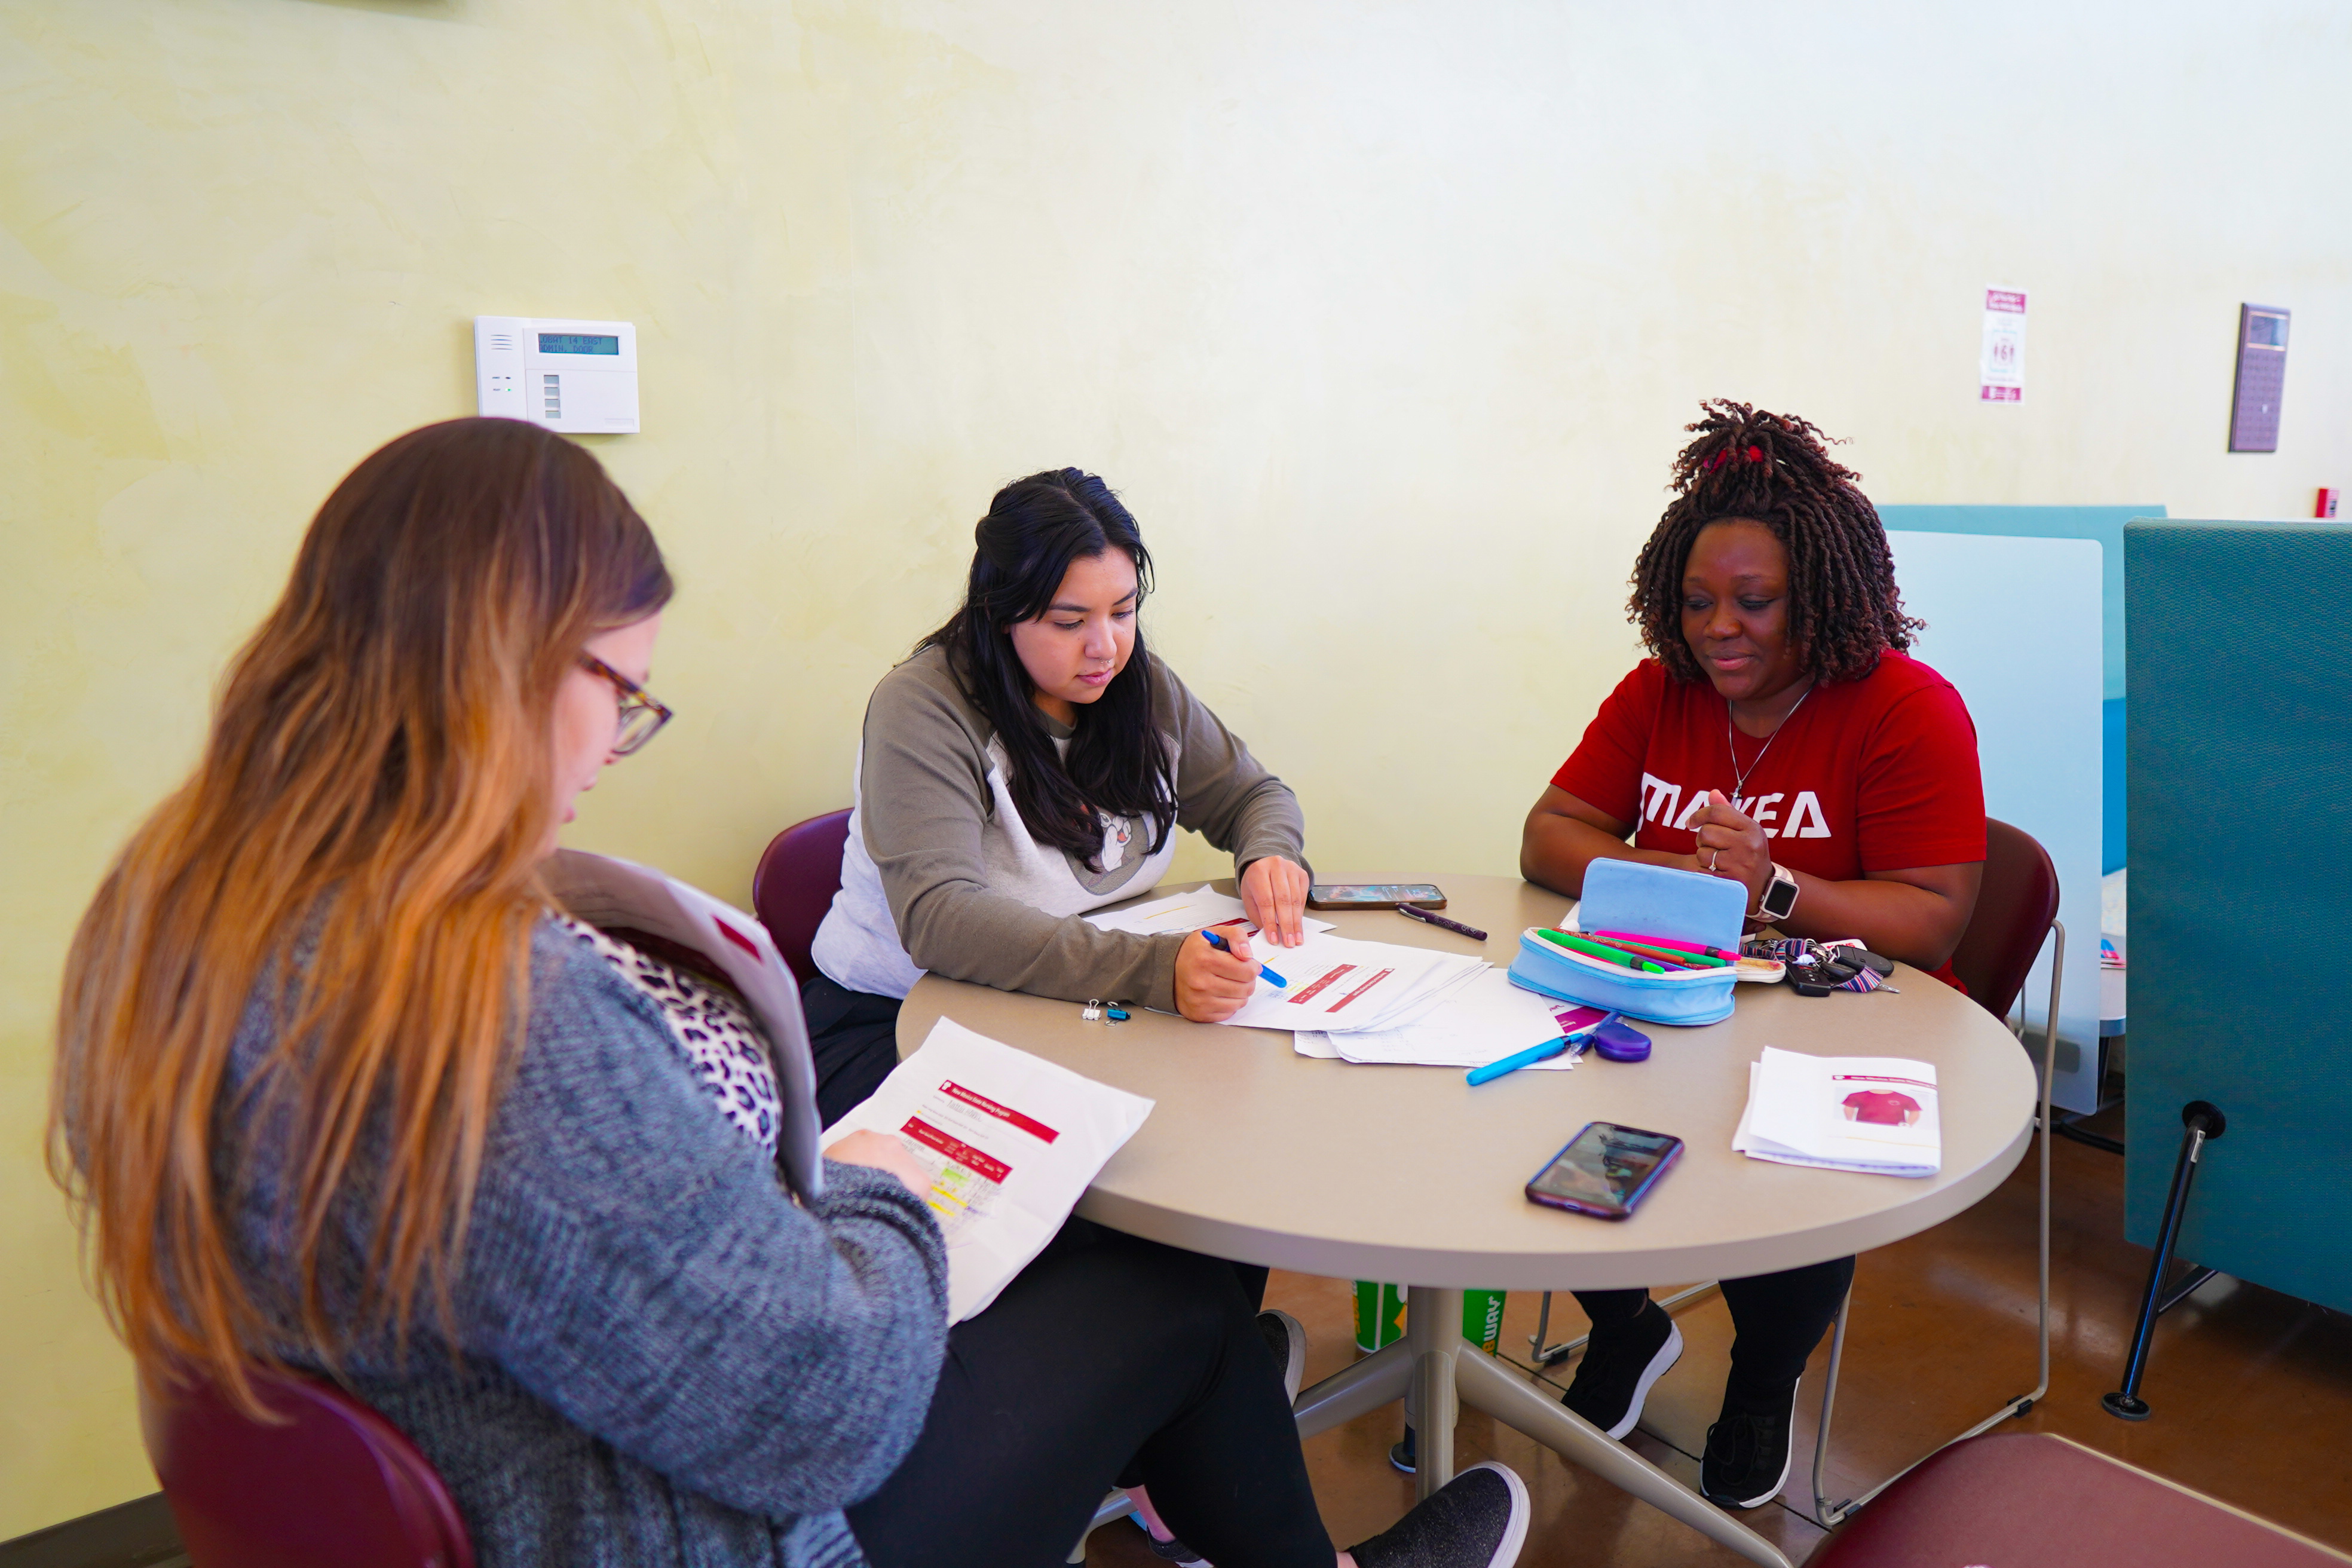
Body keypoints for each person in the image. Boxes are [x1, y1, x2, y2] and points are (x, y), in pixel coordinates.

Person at [48, 419, 1528, 1568]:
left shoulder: (182, 913)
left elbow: (591, 1268)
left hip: (535, 1464)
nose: (609, 750)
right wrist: (870, 1197)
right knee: (1183, 1281)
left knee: (1142, 1287)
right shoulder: (495, 1012)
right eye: (619, 697)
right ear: (495, 674)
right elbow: (822, 1406)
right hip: (722, 1522)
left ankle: (1217, 1481)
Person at [1519, 400, 1986, 1511]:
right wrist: (1674, 874)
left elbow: (1932, 917)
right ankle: (1629, 1327)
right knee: (1541, 1115)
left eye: (1753, 601)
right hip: (1684, 997)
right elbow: (1546, 831)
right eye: (1694, 602)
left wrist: (1773, 887)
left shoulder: (1905, 709)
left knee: (1789, 1181)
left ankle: (1760, 1381)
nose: (1717, 628)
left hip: (1851, 1023)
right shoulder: (1658, 691)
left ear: (1819, 596)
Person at [807, 469, 1309, 1123]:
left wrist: (1269, 854)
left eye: (1125, 611)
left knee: (1223, 1129)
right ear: (1002, 613)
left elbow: (1254, 797)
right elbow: (940, 917)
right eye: (1070, 621)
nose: (1107, 647)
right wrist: (1157, 971)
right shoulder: (923, 707)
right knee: (1106, 1197)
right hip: (897, 1024)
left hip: (1072, 1009)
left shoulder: (1140, 687)